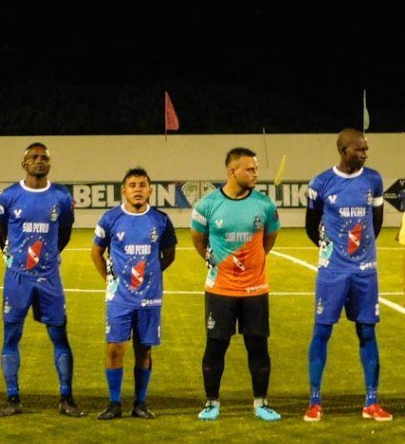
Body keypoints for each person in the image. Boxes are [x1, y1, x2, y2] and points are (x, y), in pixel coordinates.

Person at [303, 129, 390, 421]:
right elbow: (311, 226)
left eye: (366, 149)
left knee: (367, 331)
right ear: (343, 150)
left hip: (365, 271)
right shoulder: (321, 183)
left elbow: (376, 223)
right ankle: (315, 401)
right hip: (332, 271)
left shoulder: (373, 180)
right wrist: (332, 253)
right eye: (359, 150)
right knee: (322, 331)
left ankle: (371, 401)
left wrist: (362, 254)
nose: (365, 154)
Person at [190, 147, 281, 421]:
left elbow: (269, 240)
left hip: (255, 289)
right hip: (220, 290)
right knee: (216, 346)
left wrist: (253, 264)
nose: (255, 174)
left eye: (256, 169)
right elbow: (198, 239)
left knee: (258, 346)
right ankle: (211, 402)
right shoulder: (206, 205)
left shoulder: (265, 205)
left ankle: (261, 403)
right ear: (233, 171)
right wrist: (219, 263)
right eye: (250, 169)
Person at [0, 142, 80, 417]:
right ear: (24, 163)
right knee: (11, 336)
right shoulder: (9, 196)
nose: (39, 161)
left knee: (59, 335)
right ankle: (12, 398)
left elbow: (65, 232)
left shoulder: (61, 196)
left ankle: (66, 398)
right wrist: (12, 256)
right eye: (34, 157)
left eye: (44, 157)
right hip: (17, 278)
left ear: (49, 164)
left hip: (49, 278)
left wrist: (50, 256)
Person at [90, 168, 176, 419]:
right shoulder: (110, 218)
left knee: (144, 350)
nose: (137, 189)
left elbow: (169, 254)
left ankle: (140, 403)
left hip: (149, 297)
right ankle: (114, 403)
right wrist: (109, 280)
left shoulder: (161, 220)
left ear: (150, 190)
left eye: (142, 185)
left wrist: (153, 274)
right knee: (115, 348)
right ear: (124, 190)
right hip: (119, 298)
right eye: (132, 185)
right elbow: (96, 252)